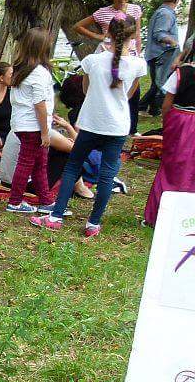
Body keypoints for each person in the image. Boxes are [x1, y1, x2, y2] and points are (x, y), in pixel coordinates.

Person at [31, 16, 145, 237]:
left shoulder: (93, 60)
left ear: (107, 34)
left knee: (73, 165)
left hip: (92, 123)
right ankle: (93, 223)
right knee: (107, 174)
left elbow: (84, 89)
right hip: (117, 126)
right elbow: (130, 94)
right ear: (132, 37)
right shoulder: (138, 64)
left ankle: (55, 216)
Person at [73, 0, 145, 133]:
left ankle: (131, 127)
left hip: (129, 54)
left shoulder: (135, 9)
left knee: (132, 90)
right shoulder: (103, 12)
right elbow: (78, 26)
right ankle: (101, 121)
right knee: (106, 87)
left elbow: (137, 34)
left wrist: (138, 52)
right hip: (109, 53)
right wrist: (99, 36)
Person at [5, 27, 59, 214]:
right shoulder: (39, 73)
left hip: (22, 123)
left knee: (39, 163)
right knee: (27, 162)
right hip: (32, 126)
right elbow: (39, 104)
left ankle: (45, 199)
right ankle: (15, 201)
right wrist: (45, 131)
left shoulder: (20, 69)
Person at [144, 46, 195, 227]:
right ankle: (186, 218)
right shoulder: (181, 71)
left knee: (171, 167)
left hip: (180, 122)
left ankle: (158, 215)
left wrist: (168, 125)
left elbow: (167, 104)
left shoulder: (181, 72)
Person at [143, 0, 183, 117]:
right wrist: (174, 43)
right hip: (161, 54)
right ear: (176, 1)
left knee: (157, 84)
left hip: (157, 54)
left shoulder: (162, 12)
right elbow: (159, 33)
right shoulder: (165, 14)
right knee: (161, 84)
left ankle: (152, 110)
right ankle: (141, 106)